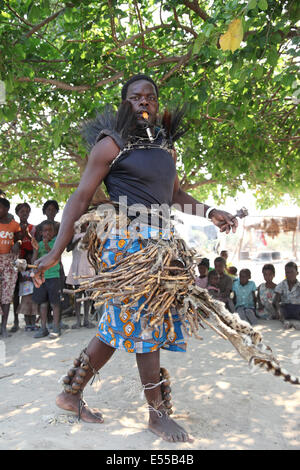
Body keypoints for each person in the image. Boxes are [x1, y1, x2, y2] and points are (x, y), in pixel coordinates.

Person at [32, 74, 238, 443]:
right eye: (135, 97)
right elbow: (79, 199)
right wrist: (56, 249)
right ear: (124, 103)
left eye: (150, 97)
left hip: (162, 245)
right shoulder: (111, 145)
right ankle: (157, 415)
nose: (144, 102)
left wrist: (209, 212)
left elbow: (173, 193)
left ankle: (70, 393)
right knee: (145, 326)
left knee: (119, 325)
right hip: (129, 246)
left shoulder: (165, 146)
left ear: (157, 104)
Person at [32, 221, 62, 339]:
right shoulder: (38, 244)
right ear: (41, 232)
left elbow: (55, 256)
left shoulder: (56, 243)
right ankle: (43, 328)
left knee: (55, 303)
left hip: (54, 276)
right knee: (43, 304)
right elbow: (34, 262)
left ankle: (56, 328)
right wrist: (35, 249)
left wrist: (46, 245)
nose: (47, 233)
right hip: (42, 278)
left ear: (54, 232)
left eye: (50, 230)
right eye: (45, 230)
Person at [11, 202, 36, 333]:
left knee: (28, 293)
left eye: (27, 211)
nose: (24, 213)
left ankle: (30, 319)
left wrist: (27, 234)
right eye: (22, 211)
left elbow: (35, 246)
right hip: (15, 263)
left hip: (28, 265)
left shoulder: (33, 228)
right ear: (17, 213)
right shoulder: (14, 227)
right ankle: (15, 321)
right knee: (15, 293)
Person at [66, 223, 96, 329]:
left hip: (88, 267)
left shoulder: (92, 236)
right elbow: (68, 249)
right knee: (78, 294)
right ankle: (78, 321)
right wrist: (77, 241)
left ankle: (86, 320)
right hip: (77, 267)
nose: (85, 225)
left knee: (88, 295)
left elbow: (94, 250)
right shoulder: (74, 235)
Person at [0, 198, 21, 337]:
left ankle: (3, 326)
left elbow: (19, 238)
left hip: (8, 262)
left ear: (7, 209)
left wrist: (17, 243)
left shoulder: (14, 224)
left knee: (7, 295)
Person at [272, 261, 300, 328]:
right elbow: (276, 300)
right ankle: (285, 322)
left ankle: (297, 325)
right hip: (286, 307)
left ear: (297, 273)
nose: (289, 274)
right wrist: (278, 310)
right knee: (280, 312)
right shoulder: (281, 285)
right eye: (287, 272)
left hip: (297, 307)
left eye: (292, 272)